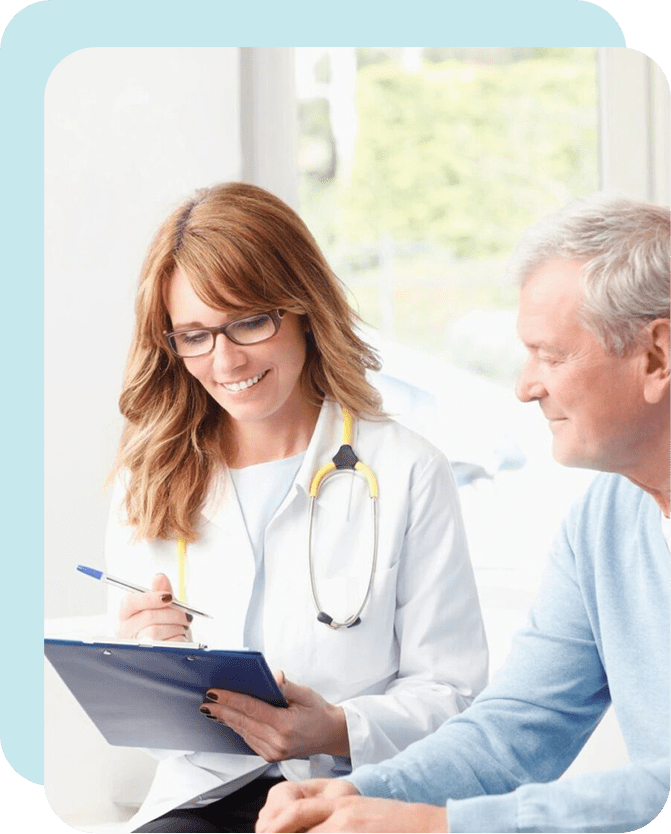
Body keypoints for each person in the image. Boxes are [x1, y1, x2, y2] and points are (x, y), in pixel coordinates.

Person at [256, 193, 671, 834]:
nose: (524, 386)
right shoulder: (604, 521)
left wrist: (435, 826)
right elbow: (515, 730)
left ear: (657, 357)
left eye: (551, 355)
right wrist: (356, 794)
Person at [104, 182, 488, 833]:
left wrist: (334, 729)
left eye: (249, 322)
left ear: (304, 307)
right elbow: (145, 730)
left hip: (353, 793)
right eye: (194, 335)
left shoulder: (405, 469)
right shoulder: (149, 476)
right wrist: (144, 662)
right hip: (197, 799)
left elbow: (453, 697)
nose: (224, 361)